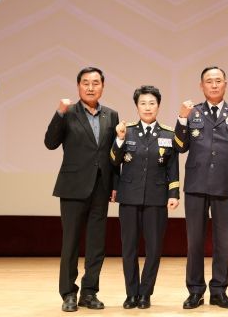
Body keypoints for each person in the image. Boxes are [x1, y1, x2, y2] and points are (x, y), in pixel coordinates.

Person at [173, 66, 228, 310]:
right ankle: (195, 290)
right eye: (209, 81)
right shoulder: (193, 112)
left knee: (223, 242)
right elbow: (180, 146)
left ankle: (219, 290)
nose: (214, 85)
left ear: (225, 84)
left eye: (218, 81)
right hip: (196, 185)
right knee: (194, 241)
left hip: (226, 184)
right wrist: (181, 118)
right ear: (201, 86)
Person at [43, 67, 120, 312]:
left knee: (97, 245)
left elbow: (114, 154)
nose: (90, 87)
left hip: (101, 187)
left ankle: (89, 292)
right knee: (71, 243)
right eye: (85, 83)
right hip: (73, 187)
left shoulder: (111, 115)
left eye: (95, 83)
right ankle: (68, 293)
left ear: (103, 87)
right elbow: (50, 143)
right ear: (78, 86)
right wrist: (59, 113)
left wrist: (115, 185)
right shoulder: (68, 113)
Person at [111, 85, 180, 309]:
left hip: (156, 198)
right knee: (129, 248)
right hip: (129, 198)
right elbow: (114, 161)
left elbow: (172, 167)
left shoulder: (168, 134)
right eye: (143, 103)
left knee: (154, 249)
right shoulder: (126, 131)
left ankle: (145, 294)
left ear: (158, 106)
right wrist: (119, 139)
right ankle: (131, 293)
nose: (147, 107)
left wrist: (173, 193)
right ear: (137, 106)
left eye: (152, 103)